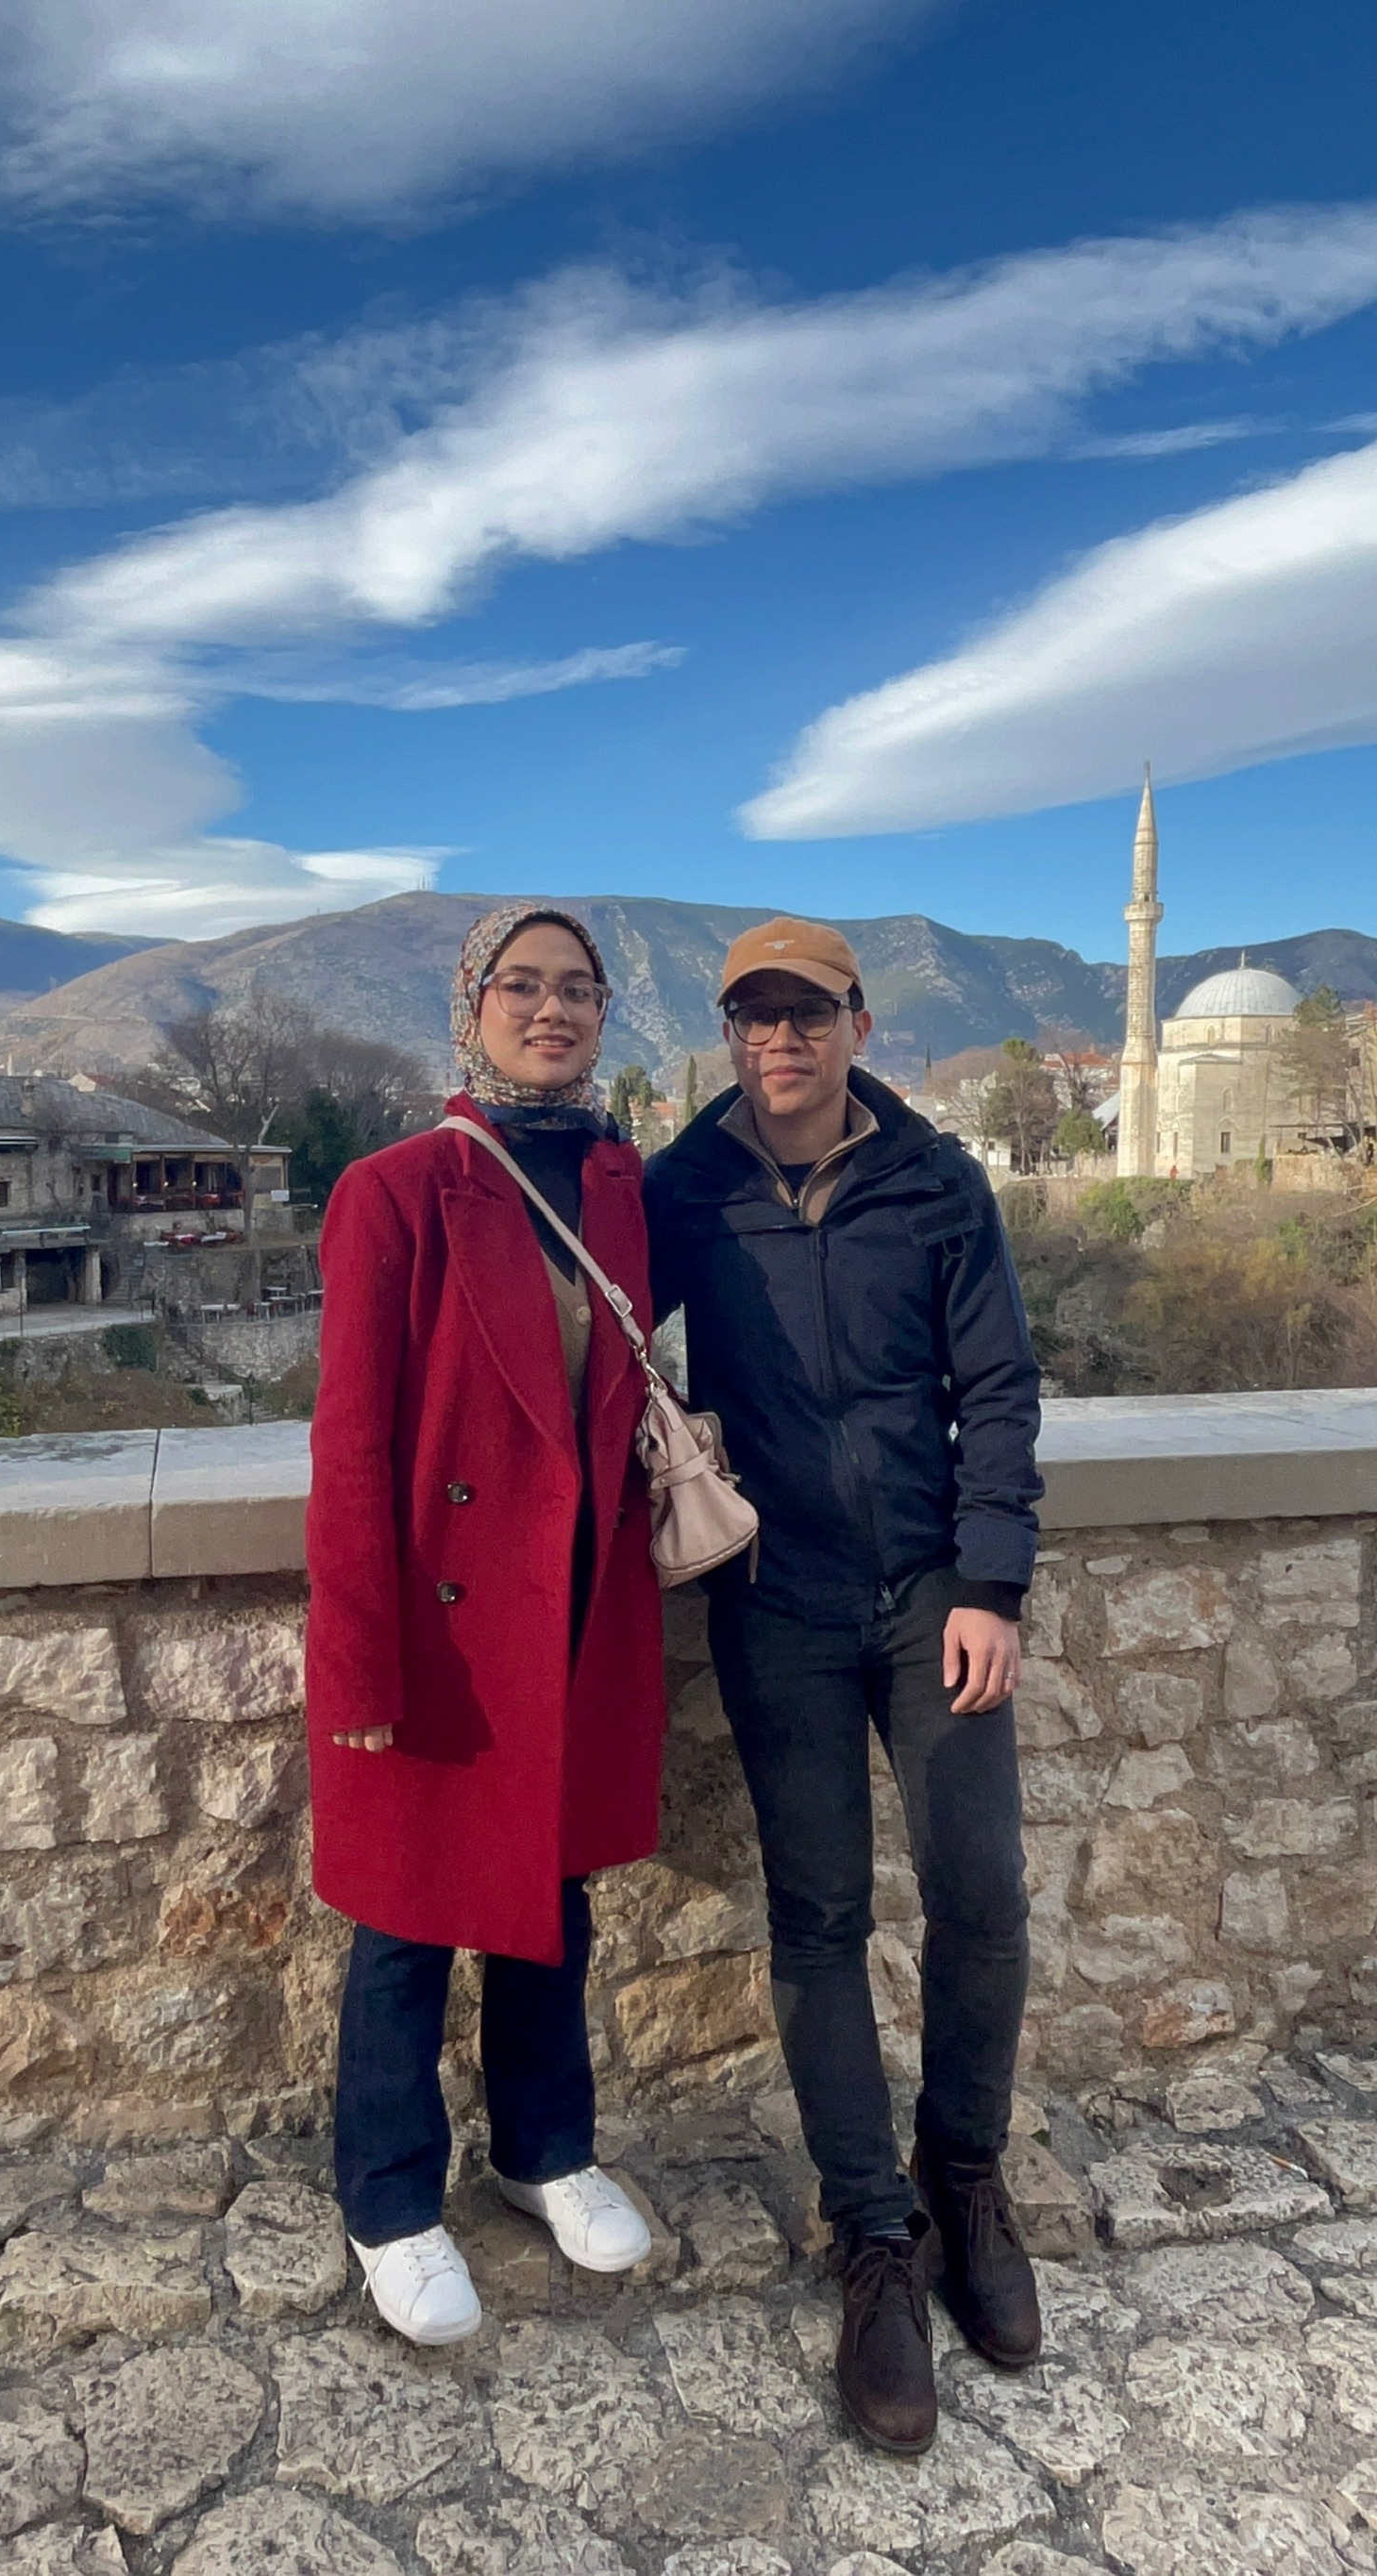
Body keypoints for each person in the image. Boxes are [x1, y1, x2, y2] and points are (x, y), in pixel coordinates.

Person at [644, 916, 1044, 2456]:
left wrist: (992, 1582)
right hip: (777, 1595)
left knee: (981, 1892)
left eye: (807, 1014)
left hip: (932, 1588)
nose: (782, 1041)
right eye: (755, 1016)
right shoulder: (689, 1185)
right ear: (730, 1034)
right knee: (818, 1916)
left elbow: (996, 1386)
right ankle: (873, 2235)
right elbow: (591, 1321)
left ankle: (965, 2177)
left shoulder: (936, 1182)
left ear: (858, 1027)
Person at [306, 901, 666, 2346]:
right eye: (522, 983)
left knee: (549, 1900)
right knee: (407, 1920)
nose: (551, 1008)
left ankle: (543, 2148)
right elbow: (350, 1445)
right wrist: (357, 1662)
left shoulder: (622, 1187)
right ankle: (391, 2200)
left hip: (576, 1606)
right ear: (471, 1008)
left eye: (578, 987)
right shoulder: (395, 1190)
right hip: (445, 1621)